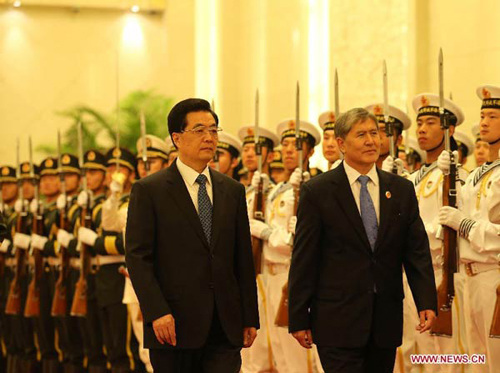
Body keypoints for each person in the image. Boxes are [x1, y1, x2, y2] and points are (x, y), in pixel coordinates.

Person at [288, 108, 437, 373]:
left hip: (384, 319)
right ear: (342, 144)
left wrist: (426, 300)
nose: (371, 141)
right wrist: (299, 316)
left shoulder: (400, 189)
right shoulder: (319, 191)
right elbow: (305, 258)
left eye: (374, 133)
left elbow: (416, 250)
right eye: (361, 135)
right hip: (336, 319)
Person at [125, 98, 259, 373]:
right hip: (172, 324)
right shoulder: (150, 190)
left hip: (225, 325)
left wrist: (249, 316)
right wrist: (156, 312)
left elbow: (242, 258)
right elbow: (138, 258)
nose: (209, 137)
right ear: (177, 138)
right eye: (199, 130)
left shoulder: (231, 190)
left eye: (213, 130)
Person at [249, 118, 323, 373]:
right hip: (269, 276)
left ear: (311, 152)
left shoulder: (314, 187)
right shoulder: (277, 190)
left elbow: (301, 241)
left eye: (297, 144)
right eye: (286, 144)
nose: (290, 149)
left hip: (291, 273)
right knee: (277, 350)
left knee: (299, 356)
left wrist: (270, 234)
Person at [438, 84, 500, 373]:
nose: (484, 122)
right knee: (476, 362)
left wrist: (464, 224)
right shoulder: (479, 173)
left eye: (492, 116)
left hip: (494, 278)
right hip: (470, 278)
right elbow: (456, 207)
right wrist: (450, 174)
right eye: (483, 115)